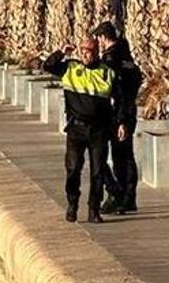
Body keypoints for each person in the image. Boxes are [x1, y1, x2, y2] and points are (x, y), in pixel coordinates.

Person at [43, 38, 126, 224]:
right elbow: (47, 66)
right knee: (73, 169)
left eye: (88, 50)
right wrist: (61, 52)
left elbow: (119, 100)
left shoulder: (107, 73)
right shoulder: (70, 68)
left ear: (96, 52)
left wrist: (120, 122)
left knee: (97, 171)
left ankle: (94, 209)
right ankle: (72, 204)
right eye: (82, 50)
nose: (84, 54)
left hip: (99, 130)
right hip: (76, 129)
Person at [92, 22, 143, 214]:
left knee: (120, 157)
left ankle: (121, 196)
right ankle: (127, 197)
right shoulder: (126, 56)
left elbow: (119, 92)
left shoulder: (111, 58)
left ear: (104, 37)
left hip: (119, 112)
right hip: (127, 110)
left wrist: (121, 120)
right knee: (124, 155)